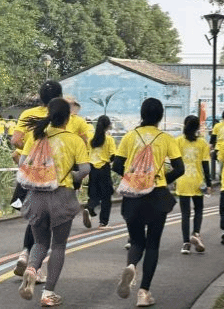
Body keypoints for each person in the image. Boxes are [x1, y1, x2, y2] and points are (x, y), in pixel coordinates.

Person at [17, 97, 90, 307]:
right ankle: (48, 293)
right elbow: (85, 169)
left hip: (36, 196)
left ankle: (32, 269)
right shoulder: (74, 140)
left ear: (49, 115)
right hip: (61, 196)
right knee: (58, 245)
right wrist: (74, 177)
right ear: (68, 118)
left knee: (40, 242)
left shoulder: (36, 135)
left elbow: (22, 163)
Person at [113, 98, 184, 307]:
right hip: (156, 196)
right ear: (160, 116)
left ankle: (131, 266)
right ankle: (144, 293)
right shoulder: (166, 139)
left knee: (136, 241)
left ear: (142, 114)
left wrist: (133, 178)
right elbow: (180, 168)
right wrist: (160, 180)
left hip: (133, 196)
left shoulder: (129, 136)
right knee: (153, 244)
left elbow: (116, 165)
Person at [11, 80, 64, 282]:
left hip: (31, 172)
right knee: (47, 224)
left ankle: (25, 253)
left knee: (36, 217)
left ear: (40, 97)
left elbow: (15, 141)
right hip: (54, 177)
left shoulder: (27, 114)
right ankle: (35, 267)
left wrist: (31, 149)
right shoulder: (64, 116)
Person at [175, 115, 212, 254]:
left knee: (185, 213)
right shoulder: (202, 143)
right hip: (198, 181)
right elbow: (205, 165)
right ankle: (196, 233)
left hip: (183, 181)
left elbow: (174, 163)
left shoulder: (178, 141)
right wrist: (209, 184)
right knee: (198, 209)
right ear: (197, 127)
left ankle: (185, 244)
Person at [83, 115, 116, 229]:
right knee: (106, 196)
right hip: (104, 169)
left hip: (92, 169)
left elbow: (87, 153)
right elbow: (113, 156)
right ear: (108, 125)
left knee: (94, 193)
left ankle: (89, 207)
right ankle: (103, 222)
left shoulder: (91, 139)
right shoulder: (109, 139)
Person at [209, 109, 224, 181]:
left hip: (219, 148)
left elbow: (213, 137)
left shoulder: (217, 126)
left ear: (222, 117)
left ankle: (221, 178)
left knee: (221, 164)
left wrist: (211, 147)